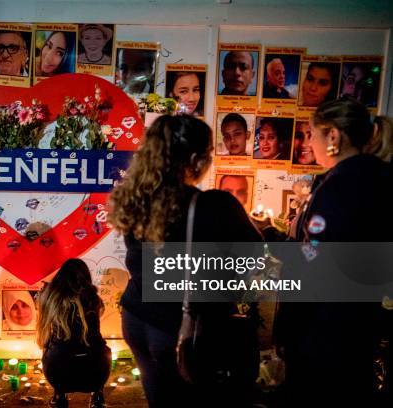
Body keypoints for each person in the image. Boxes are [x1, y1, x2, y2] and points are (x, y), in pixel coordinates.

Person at [109, 115, 262, 407]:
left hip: (137, 319)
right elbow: (254, 258)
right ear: (194, 158)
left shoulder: (135, 198)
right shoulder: (214, 204)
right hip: (183, 327)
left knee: (160, 398)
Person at [273, 97, 392, 407]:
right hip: (361, 326)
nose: (308, 143)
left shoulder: (339, 187)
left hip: (323, 334)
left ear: (334, 137)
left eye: (311, 133)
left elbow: (312, 263)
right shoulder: (380, 178)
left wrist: (286, 333)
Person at [37, 258, 110, 408]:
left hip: (58, 374)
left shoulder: (51, 299)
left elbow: (45, 336)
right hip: (96, 372)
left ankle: (59, 395)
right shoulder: (94, 300)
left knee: (51, 348)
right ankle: (97, 395)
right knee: (102, 350)